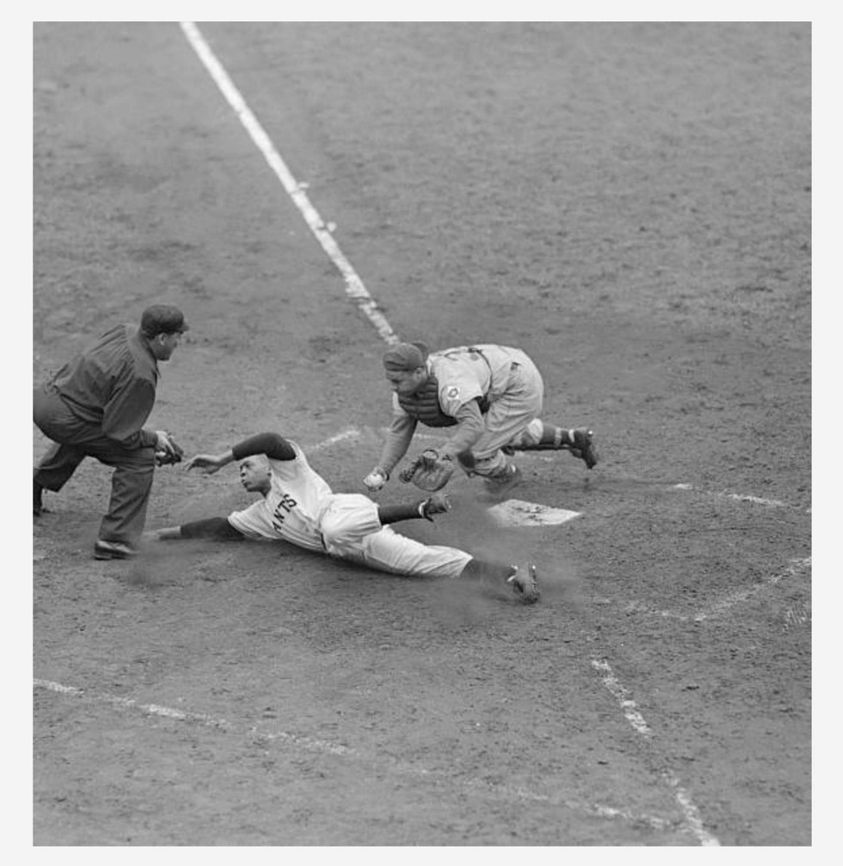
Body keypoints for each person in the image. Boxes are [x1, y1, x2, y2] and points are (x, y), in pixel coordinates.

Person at [145, 431, 540, 603]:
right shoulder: (260, 516)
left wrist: (222, 458)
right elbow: (218, 528)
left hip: (344, 511)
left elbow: (268, 440)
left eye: (248, 466)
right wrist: (162, 535)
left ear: (269, 467)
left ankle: (421, 509)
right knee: (425, 562)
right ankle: (513, 575)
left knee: (333, 527)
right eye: (239, 470)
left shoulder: (290, 468)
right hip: (351, 546)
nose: (242, 470)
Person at [33, 304, 188, 560]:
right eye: (176, 337)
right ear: (161, 338)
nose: (178, 343)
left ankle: (30, 489)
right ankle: (117, 541)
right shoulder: (141, 375)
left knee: (89, 426)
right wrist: (154, 440)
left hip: (46, 398)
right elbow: (120, 434)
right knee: (138, 458)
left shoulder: (125, 331)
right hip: (63, 419)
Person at [363, 341, 598, 497]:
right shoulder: (406, 390)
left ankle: (507, 477)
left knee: (474, 453)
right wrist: (382, 470)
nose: (392, 387)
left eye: (397, 381)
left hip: (519, 385)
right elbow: (400, 432)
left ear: (419, 372)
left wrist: (444, 454)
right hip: (500, 372)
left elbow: (473, 425)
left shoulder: (450, 384)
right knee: (498, 432)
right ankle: (573, 437)